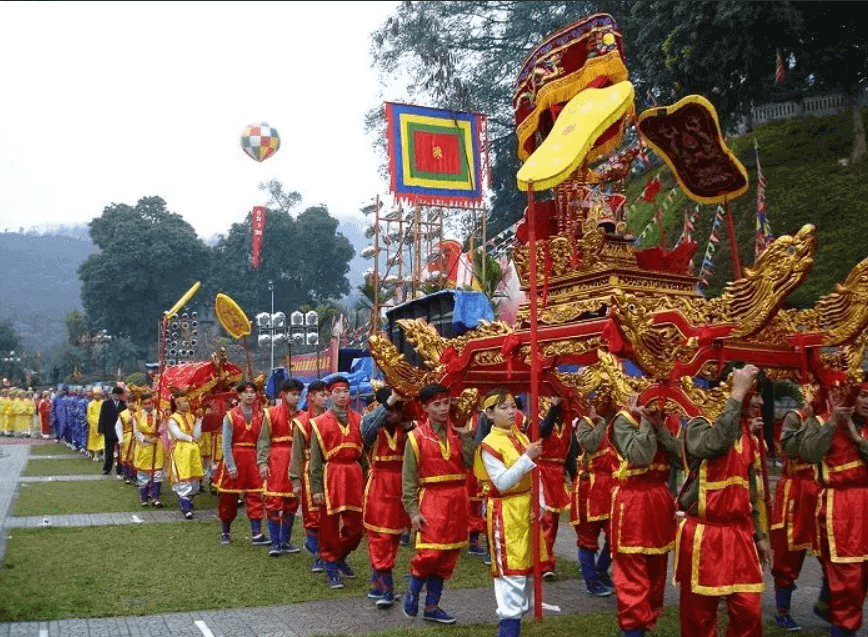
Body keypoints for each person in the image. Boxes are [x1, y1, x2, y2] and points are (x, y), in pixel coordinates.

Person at [675, 365, 769, 637]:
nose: (760, 402)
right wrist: (738, 393)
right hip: (706, 533)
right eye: (755, 394)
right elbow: (713, 445)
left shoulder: (745, 432)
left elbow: (749, 490)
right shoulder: (698, 424)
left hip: (740, 534)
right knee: (699, 616)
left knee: (749, 610)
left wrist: (759, 535)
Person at [474, 388, 547, 637]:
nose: (511, 411)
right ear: (490, 414)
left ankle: (511, 624)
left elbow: (535, 474)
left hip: (526, 510)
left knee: (526, 578)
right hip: (505, 513)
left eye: (514, 406)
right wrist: (527, 458)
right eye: (504, 407)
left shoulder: (522, 437)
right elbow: (502, 483)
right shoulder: (488, 445)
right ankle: (508, 630)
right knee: (512, 578)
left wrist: (541, 503)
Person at [402, 383, 477, 623]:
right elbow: (409, 480)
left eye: (446, 403)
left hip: (457, 499)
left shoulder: (459, 432)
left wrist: (465, 435)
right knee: (430, 553)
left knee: (448, 556)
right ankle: (413, 589)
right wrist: (413, 512)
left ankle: (432, 607)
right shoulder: (416, 437)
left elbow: (469, 463)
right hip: (432, 499)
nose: (443, 408)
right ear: (425, 407)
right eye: (437, 404)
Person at [799, 377, 868, 637]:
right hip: (842, 507)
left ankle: (829, 605)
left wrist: (855, 438)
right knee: (848, 577)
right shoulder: (819, 421)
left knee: (860, 578)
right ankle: (841, 627)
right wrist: (833, 424)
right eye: (862, 396)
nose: (867, 402)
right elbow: (809, 453)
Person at [609, 395, 682, 637]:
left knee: (656, 569)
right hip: (632, 501)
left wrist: (659, 426)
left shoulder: (671, 420)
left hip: (659, 498)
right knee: (632, 570)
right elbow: (640, 456)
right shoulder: (623, 420)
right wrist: (645, 421)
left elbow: (682, 459)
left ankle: (643, 623)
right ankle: (632, 628)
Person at [770, 383, 826, 630]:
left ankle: (829, 604)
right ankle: (783, 611)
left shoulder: (833, 419)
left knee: (831, 551)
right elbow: (789, 448)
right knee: (787, 553)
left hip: (821, 491)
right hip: (795, 493)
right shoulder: (796, 417)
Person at [309, 375, 365, 589]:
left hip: (354, 474)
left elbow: (365, 457)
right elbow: (315, 460)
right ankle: (331, 565)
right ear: (329, 395)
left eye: (346, 391)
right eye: (337, 392)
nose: (342, 396)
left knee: (356, 527)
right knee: (329, 526)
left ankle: (339, 556)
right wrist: (316, 488)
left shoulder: (360, 419)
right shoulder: (319, 423)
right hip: (331, 474)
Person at [361, 386, 413, 607]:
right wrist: (388, 404)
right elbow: (366, 431)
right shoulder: (372, 428)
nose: (395, 415)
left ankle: (376, 583)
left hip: (400, 486)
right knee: (379, 536)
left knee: (392, 537)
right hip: (379, 486)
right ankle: (387, 590)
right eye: (392, 409)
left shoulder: (407, 430)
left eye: (399, 410)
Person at [212, 380, 269, 545]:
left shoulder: (262, 415)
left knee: (255, 495)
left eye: (253, 392)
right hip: (235, 458)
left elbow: (263, 441)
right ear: (240, 395)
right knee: (228, 498)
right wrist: (230, 465)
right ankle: (225, 531)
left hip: (253, 459)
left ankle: (257, 533)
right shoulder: (231, 415)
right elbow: (226, 443)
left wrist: (263, 461)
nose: (250, 395)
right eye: (246, 392)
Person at [572, 396, 617, 596]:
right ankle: (591, 581)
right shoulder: (585, 423)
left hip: (610, 487)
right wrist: (601, 423)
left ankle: (600, 570)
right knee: (587, 537)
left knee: (615, 534)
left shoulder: (619, 421)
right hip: (588, 489)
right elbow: (590, 444)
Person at [258, 378, 304, 556]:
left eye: (299, 395)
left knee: (292, 502)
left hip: (296, 460)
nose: (297, 398)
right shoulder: (270, 414)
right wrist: (262, 462)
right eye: (293, 394)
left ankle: (286, 541)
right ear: (283, 395)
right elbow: (263, 440)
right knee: (274, 502)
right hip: (276, 461)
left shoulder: (302, 415)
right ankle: (275, 543)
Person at [289, 379, 328, 571]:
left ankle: (328, 553)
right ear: (311, 397)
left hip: (329, 472)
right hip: (307, 472)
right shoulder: (301, 422)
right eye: (321, 394)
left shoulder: (331, 418)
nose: (325, 398)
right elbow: (296, 454)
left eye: (326, 394)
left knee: (328, 516)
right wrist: (295, 480)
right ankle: (317, 553)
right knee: (312, 515)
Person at [534, 397, 575, 580]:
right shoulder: (539, 420)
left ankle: (547, 559)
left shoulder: (567, 423)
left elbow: (571, 453)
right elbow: (542, 431)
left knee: (554, 521)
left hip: (557, 474)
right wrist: (553, 408)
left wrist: (574, 477)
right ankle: (543, 563)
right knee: (546, 519)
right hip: (543, 471)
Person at [166, 390, 203, 519]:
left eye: (187, 401)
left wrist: (199, 420)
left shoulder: (191, 416)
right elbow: (178, 434)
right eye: (184, 402)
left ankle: (187, 501)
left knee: (194, 478)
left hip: (193, 450)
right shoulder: (172, 419)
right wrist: (190, 439)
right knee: (184, 476)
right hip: (181, 450)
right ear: (177, 403)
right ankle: (186, 506)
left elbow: (196, 434)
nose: (187, 404)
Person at [132, 392, 164, 507]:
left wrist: (160, 424)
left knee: (158, 472)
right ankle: (144, 498)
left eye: (149, 403)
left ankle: (156, 498)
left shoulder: (160, 414)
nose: (147, 406)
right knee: (143, 473)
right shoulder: (137, 416)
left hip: (157, 446)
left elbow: (164, 430)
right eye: (144, 404)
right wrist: (147, 440)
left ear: (153, 403)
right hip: (143, 446)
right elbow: (136, 432)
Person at [98, 387, 126, 476]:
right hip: (108, 430)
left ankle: (120, 469)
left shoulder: (123, 404)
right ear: (112, 394)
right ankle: (107, 468)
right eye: (116, 395)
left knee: (120, 452)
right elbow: (102, 417)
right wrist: (101, 429)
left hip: (120, 431)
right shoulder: (106, 403)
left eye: (119, 395)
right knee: (109, 451)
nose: (117, 397)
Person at [86, 388, 105, 462]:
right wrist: (93, 423)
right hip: (93, 426)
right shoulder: (91, 404)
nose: (97, 396)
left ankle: (103, 455)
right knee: (94, 441)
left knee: (103, 441)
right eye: (95, 395)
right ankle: (95, 455)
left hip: (102, 425)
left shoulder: (103, 403)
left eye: (98, 395)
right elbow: (89, 416)